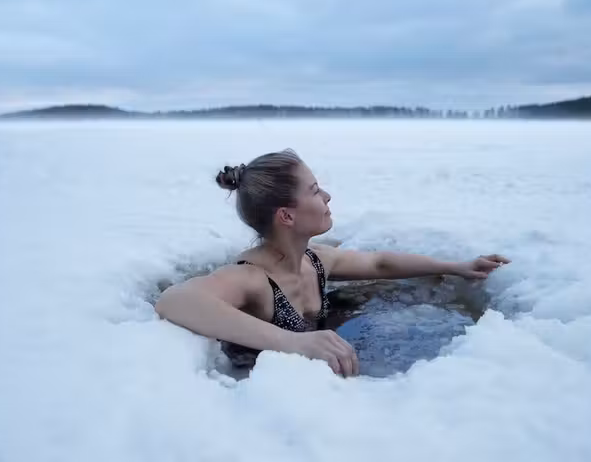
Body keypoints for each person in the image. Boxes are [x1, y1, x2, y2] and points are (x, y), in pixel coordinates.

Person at [155, 149, 511, 377]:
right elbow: (175, 300)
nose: (327, 196)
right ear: (287, 216)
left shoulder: (316, 259)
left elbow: (379, 264)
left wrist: (454, 266)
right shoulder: (252, 278)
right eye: (314, 190)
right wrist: (291, 342)